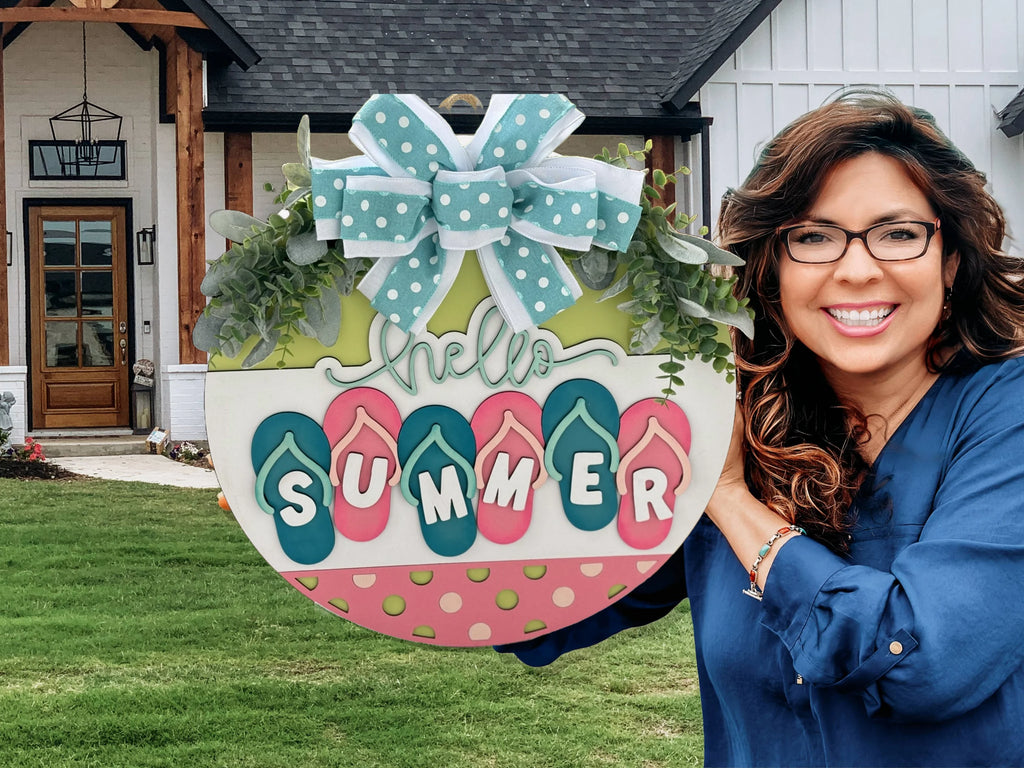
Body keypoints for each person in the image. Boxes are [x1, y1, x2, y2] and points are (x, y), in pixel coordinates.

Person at [497, 90, 1024, 766]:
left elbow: (919, 662)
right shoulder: (740, 415)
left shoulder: (1004, 416)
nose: (857, 269)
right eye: (812, 236)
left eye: (898, 233)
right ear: (770, 267)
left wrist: (729, 499)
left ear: (949, 261)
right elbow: (548, 607)